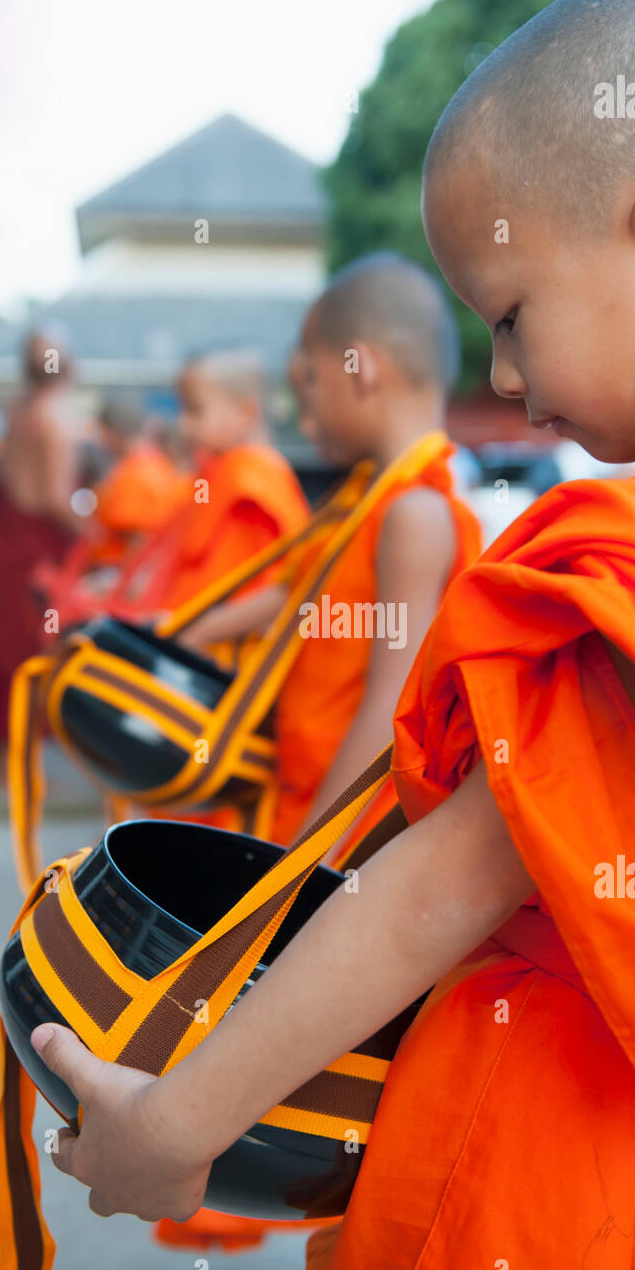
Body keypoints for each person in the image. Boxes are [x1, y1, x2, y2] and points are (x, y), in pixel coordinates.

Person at [24, 0, 635, 1270]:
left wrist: (175, 1122)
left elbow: (446, 881)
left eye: (508, 316)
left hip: (561, 1167)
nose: (500, 378)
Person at [179, 255, 482, 848]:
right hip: (301, 799)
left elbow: (387, 720)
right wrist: (180, 638)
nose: (304, 410)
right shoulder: (363, 501)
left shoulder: (416, 513)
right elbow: (297, 595)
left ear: (360, 368)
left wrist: (302, 866)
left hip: (345, 834)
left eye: (310, 381)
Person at [101, 349, 309, 619]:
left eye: (195, 410)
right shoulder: (213, 472)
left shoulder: (253, 482)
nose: (183, 424)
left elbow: (275, 594)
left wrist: (187, 633)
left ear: (245, 413)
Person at [0, 329, 81, 747]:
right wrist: (99, 536)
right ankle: (30, 761)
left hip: (8, 545)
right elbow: (56, 500)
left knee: (2, 649)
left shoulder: (17, 411)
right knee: (33, 650)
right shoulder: (56, 417)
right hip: (38, 553)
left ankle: (6, 758)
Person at [36, 394, 188, 626]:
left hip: (117, 584)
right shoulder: (153, 464)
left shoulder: (138, 474)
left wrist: (113, 584)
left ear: (108, 433)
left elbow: (142, 543)